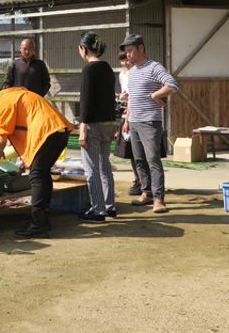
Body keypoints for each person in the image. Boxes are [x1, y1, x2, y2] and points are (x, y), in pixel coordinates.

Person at [0, 84, 75, 238]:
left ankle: (38, 223)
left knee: (36, 176)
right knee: (42, 174)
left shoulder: (4, 101)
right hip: (59, 131)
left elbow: (3, 134)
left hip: (47, 133)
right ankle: (42, 219)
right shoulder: (14, 95)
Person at [119, 33, 178, 214]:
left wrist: (155, 95)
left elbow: (172, 85)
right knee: (139, 160)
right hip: (134, 122)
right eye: (126, 51)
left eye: (130, 50)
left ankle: (159, 199)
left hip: (150, 121)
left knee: (153, 160)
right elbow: (132, 97)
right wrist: (127, 120)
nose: (128, 55)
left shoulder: (154, 67)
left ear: (141, 48)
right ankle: (147, 193)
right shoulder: (132, 72)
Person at [76, 32, 118, 222]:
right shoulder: (107, 68)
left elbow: (85, 101)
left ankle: (98, 210)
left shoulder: (89, 69)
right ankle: (110, 206)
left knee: (91, 168)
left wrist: (82, 128)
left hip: (92, 125)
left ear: (83, 49)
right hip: (108, 123)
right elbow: (110, 98)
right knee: (104, 166)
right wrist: (113, 122)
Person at [117, 50, 143, 196]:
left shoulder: (135, 73)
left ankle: (143, 182)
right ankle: (138, 179)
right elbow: (125, 95)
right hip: (126, 113)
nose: (125, 63)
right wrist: (122, 97)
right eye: (122, 60)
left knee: (140, 152)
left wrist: (127, 119)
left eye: (127, 60)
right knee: (131, 152)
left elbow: (134, 97)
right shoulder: (122, 75)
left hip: (135, 115)